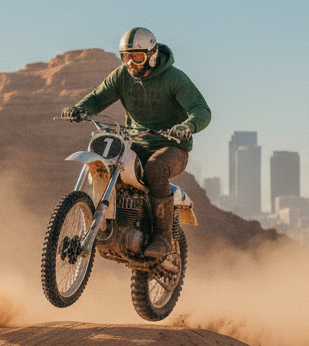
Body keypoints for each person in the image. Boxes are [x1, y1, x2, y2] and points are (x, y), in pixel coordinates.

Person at [60, 27, 210, 260]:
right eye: (125, 56)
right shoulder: (122, 76)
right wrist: (81, 108)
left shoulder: (175, 79)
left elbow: (201, 110)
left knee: (155, 170)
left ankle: (162, 238)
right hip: (135, 141)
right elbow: (99, 97)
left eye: (136, 56)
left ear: (151, 54)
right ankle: (111, 225)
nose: (130, 62)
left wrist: (187, 127)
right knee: (110, 164)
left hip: (172, 146)